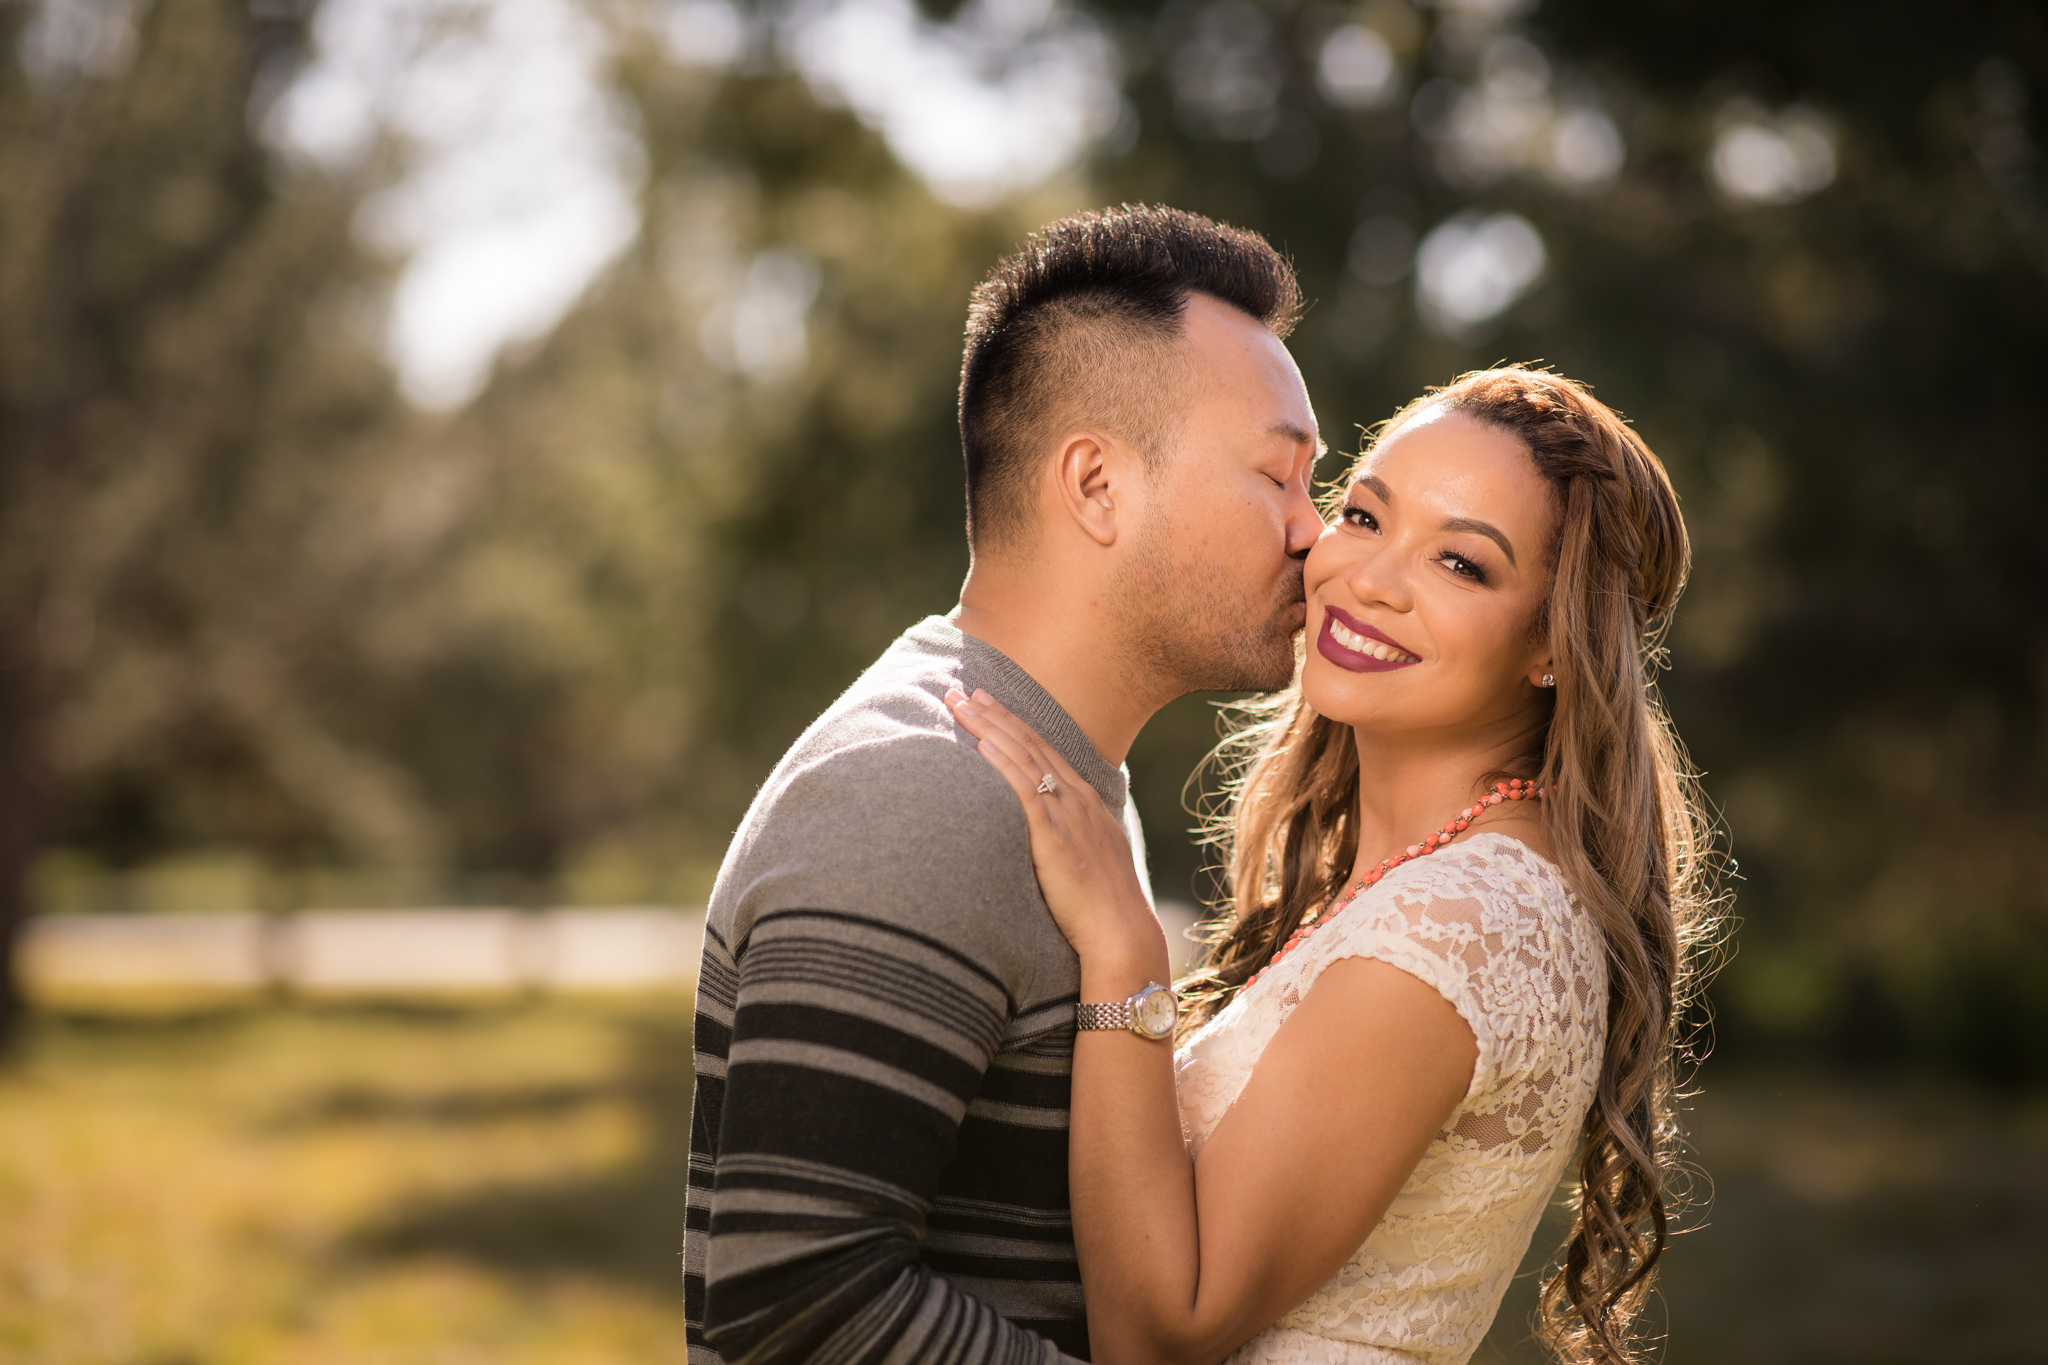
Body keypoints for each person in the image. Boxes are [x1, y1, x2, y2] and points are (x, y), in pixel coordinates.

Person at [949, 367, 1717, 1365]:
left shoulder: (1460, 926)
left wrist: (1123, 958)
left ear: (1552, 646)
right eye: (1362, 516)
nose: (1368, 579)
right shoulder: (1423, 878)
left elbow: (1159, 1330)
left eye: (1461, 565)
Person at [683, 205, 1327, 1364]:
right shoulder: (921, 784)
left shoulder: (1062, 786)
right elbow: (793, 1304)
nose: (1312, 533)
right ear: (1095, 485)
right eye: (1277, 475)